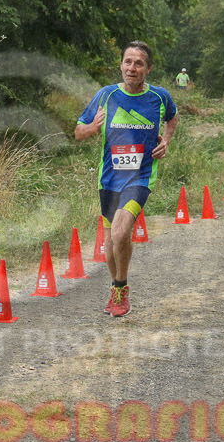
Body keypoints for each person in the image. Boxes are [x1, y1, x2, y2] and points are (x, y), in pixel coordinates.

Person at [74, 41, 178, 317]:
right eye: (127, 62)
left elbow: (173, 118)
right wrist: (92, 128)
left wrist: (166, 141)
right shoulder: (106, 96)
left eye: (138, 63)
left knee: (121, 232)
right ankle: (116, 288)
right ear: (121, 65)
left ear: (148, 69)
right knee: (111, 239)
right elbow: (77, 132)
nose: (132, 68)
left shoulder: (160, 97)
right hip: (109, 178)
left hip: (141, 176)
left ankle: (121, 286)